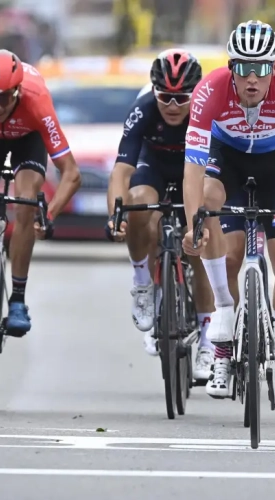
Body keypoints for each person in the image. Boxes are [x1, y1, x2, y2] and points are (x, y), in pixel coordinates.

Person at [181, 20, 275, 407]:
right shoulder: (209, 89)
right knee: (226, 246)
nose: (252, 78)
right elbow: (192, 168)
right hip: (230, 164)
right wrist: (194, 223)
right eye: (243, 68)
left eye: (261, 68)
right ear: (231, 69)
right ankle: (224, 314)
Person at [0, 49, 82, 369]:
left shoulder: (36, 101)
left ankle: (18, 300)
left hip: (28, 139)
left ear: (18, 91)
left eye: (4, 98)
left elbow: (72, 174)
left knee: (25, 204)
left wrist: (47, 215)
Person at [105, 49, 217, 381]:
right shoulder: (142, 110)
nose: (171, 105)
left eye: (181, 98)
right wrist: (117, 214)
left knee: (200, 239)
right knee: (139, 203)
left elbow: (217, 172)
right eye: (164, 96)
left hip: (193, 170)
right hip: (152, 166)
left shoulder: (207, 112)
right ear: (154, 91)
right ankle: (143, 282)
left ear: (194, 94)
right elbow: (120, 173)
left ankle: (209, 340)